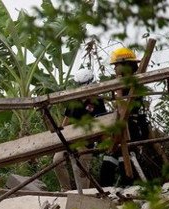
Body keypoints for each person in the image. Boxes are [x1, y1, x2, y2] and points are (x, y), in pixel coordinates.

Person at [101, 47, 152, 187]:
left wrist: (118, 88)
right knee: (110, 162)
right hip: (124, 125)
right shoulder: (127, 82)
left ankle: (130, 190)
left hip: (132, 126)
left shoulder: (131, 83)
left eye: (116, 65)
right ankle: (107, 192)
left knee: (126, 159)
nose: (114, 68)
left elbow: (123, 107)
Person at [52, 69, 109, 191]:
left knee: (82, 165)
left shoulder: (97, 101)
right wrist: (61, 135)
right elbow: (66, 120)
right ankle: (65, 190)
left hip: (86, 139)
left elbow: (102, 120)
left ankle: (83, 193)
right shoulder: (74, 99)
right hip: (69, 137)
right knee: (57, 160)